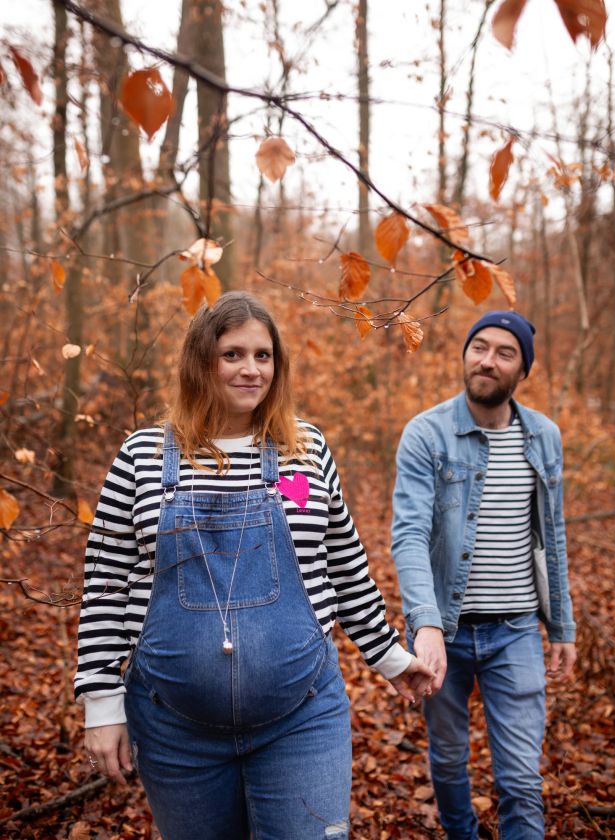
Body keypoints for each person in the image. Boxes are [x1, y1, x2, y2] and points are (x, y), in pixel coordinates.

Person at [75, 291, 434, 840]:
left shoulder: (304, 451)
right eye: (233, 354)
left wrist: (389, 657)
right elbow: (103, 584)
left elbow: (343, 562)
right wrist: (101, 703)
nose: (251, 369)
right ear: (201, 362)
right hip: (174, 730)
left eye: (263, 356)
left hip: (302, 718)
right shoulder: (142, 456)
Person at [391, 310, 577, 840]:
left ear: (523, 371)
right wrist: (425, 624)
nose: (487, 360)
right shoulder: (426, 433)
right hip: (443, 631)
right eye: (479, 347)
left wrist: (561, 626)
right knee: (449, 761)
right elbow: (407, 534)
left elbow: (552, 534)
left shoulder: (543, 436)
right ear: (465, 354)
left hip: (516, 630)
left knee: (520, 777)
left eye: (504, 352)